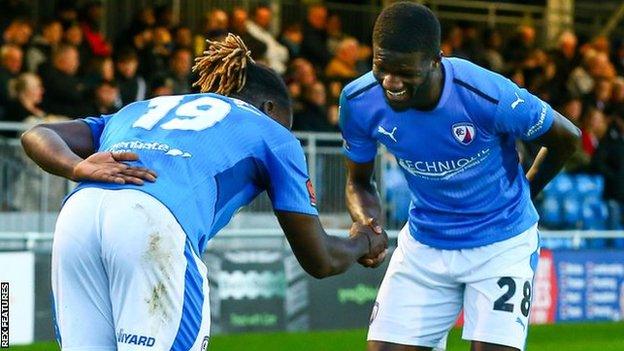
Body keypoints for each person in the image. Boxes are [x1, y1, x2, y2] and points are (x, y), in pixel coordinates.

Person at [21, 33, 387, 351]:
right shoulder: (272, 132)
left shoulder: (142, 108)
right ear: (269, 107)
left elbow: (37, 133)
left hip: (76, 215)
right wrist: (362, 242)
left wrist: (76, 167)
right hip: (151, 221)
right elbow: (319, 258)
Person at [339, 3, 580, 351]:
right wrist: (367, 223)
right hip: (425, 244)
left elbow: (566, 138)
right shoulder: (358, 101)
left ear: (436, 60)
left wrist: (526, 190)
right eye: (381, 67)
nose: (390, 82)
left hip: (501, 245)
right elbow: (358, 182)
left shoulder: (485, 94)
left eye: (404, 70)